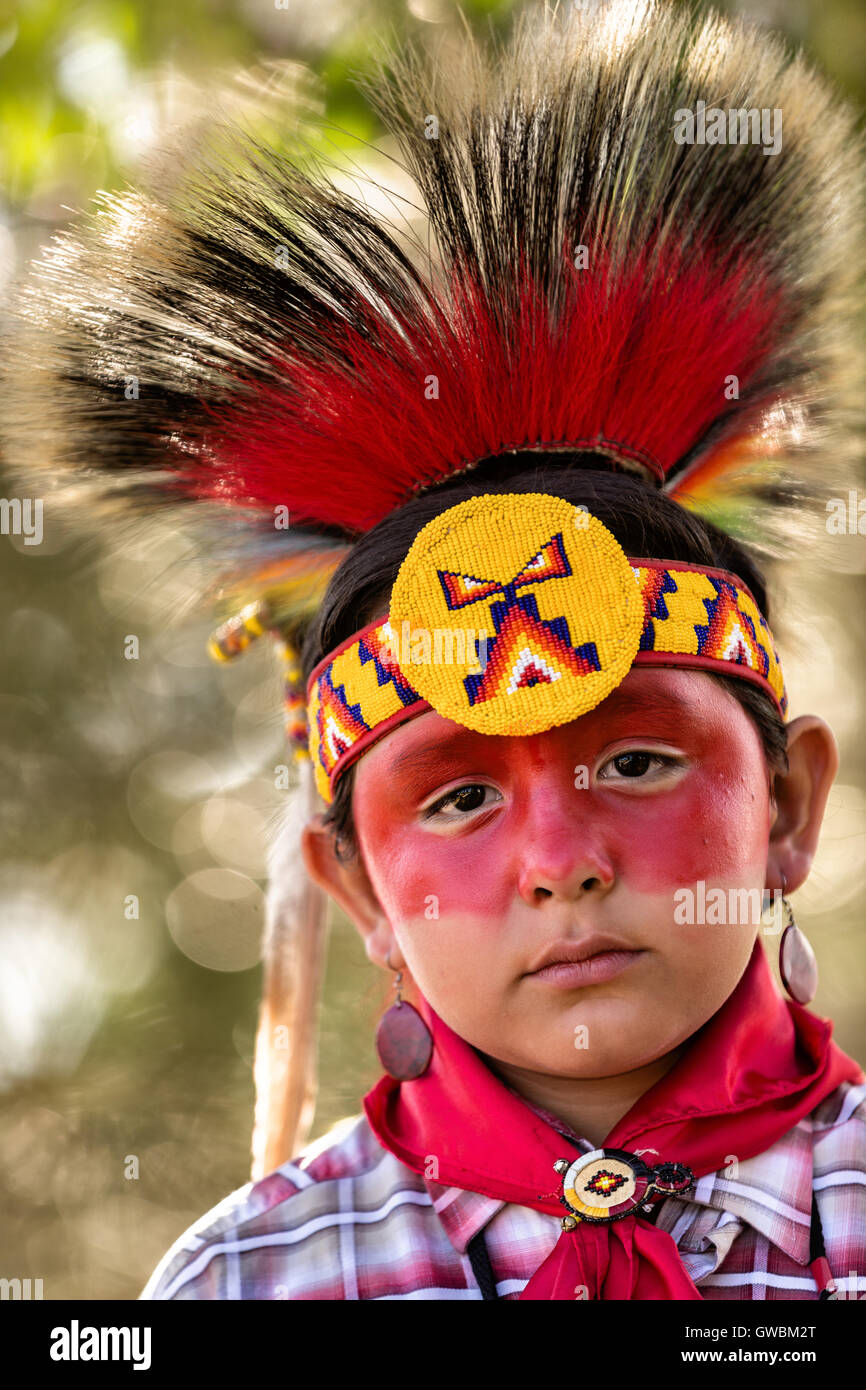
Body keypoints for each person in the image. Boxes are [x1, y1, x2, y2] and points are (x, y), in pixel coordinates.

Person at [4, 0, 864, 1300]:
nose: (559, 865)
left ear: (788, 799)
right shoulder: (249, 1281)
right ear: (354, 892)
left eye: (633, 759)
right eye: (459, 794)